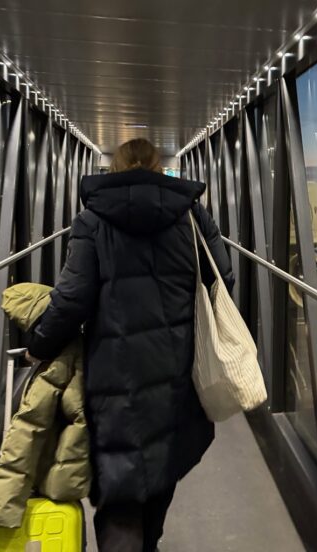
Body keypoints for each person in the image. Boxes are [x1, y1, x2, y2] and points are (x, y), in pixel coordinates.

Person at [27, 138, 234, 552]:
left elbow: (72, 298)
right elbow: (222, 277)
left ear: (114, 169)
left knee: (120, 489)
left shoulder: (93, 220)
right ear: (159, 168)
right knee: (161, 466)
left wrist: (40, 343)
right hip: (176, 367)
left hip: (115, 376)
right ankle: (150, 541)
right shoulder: (190, 215)